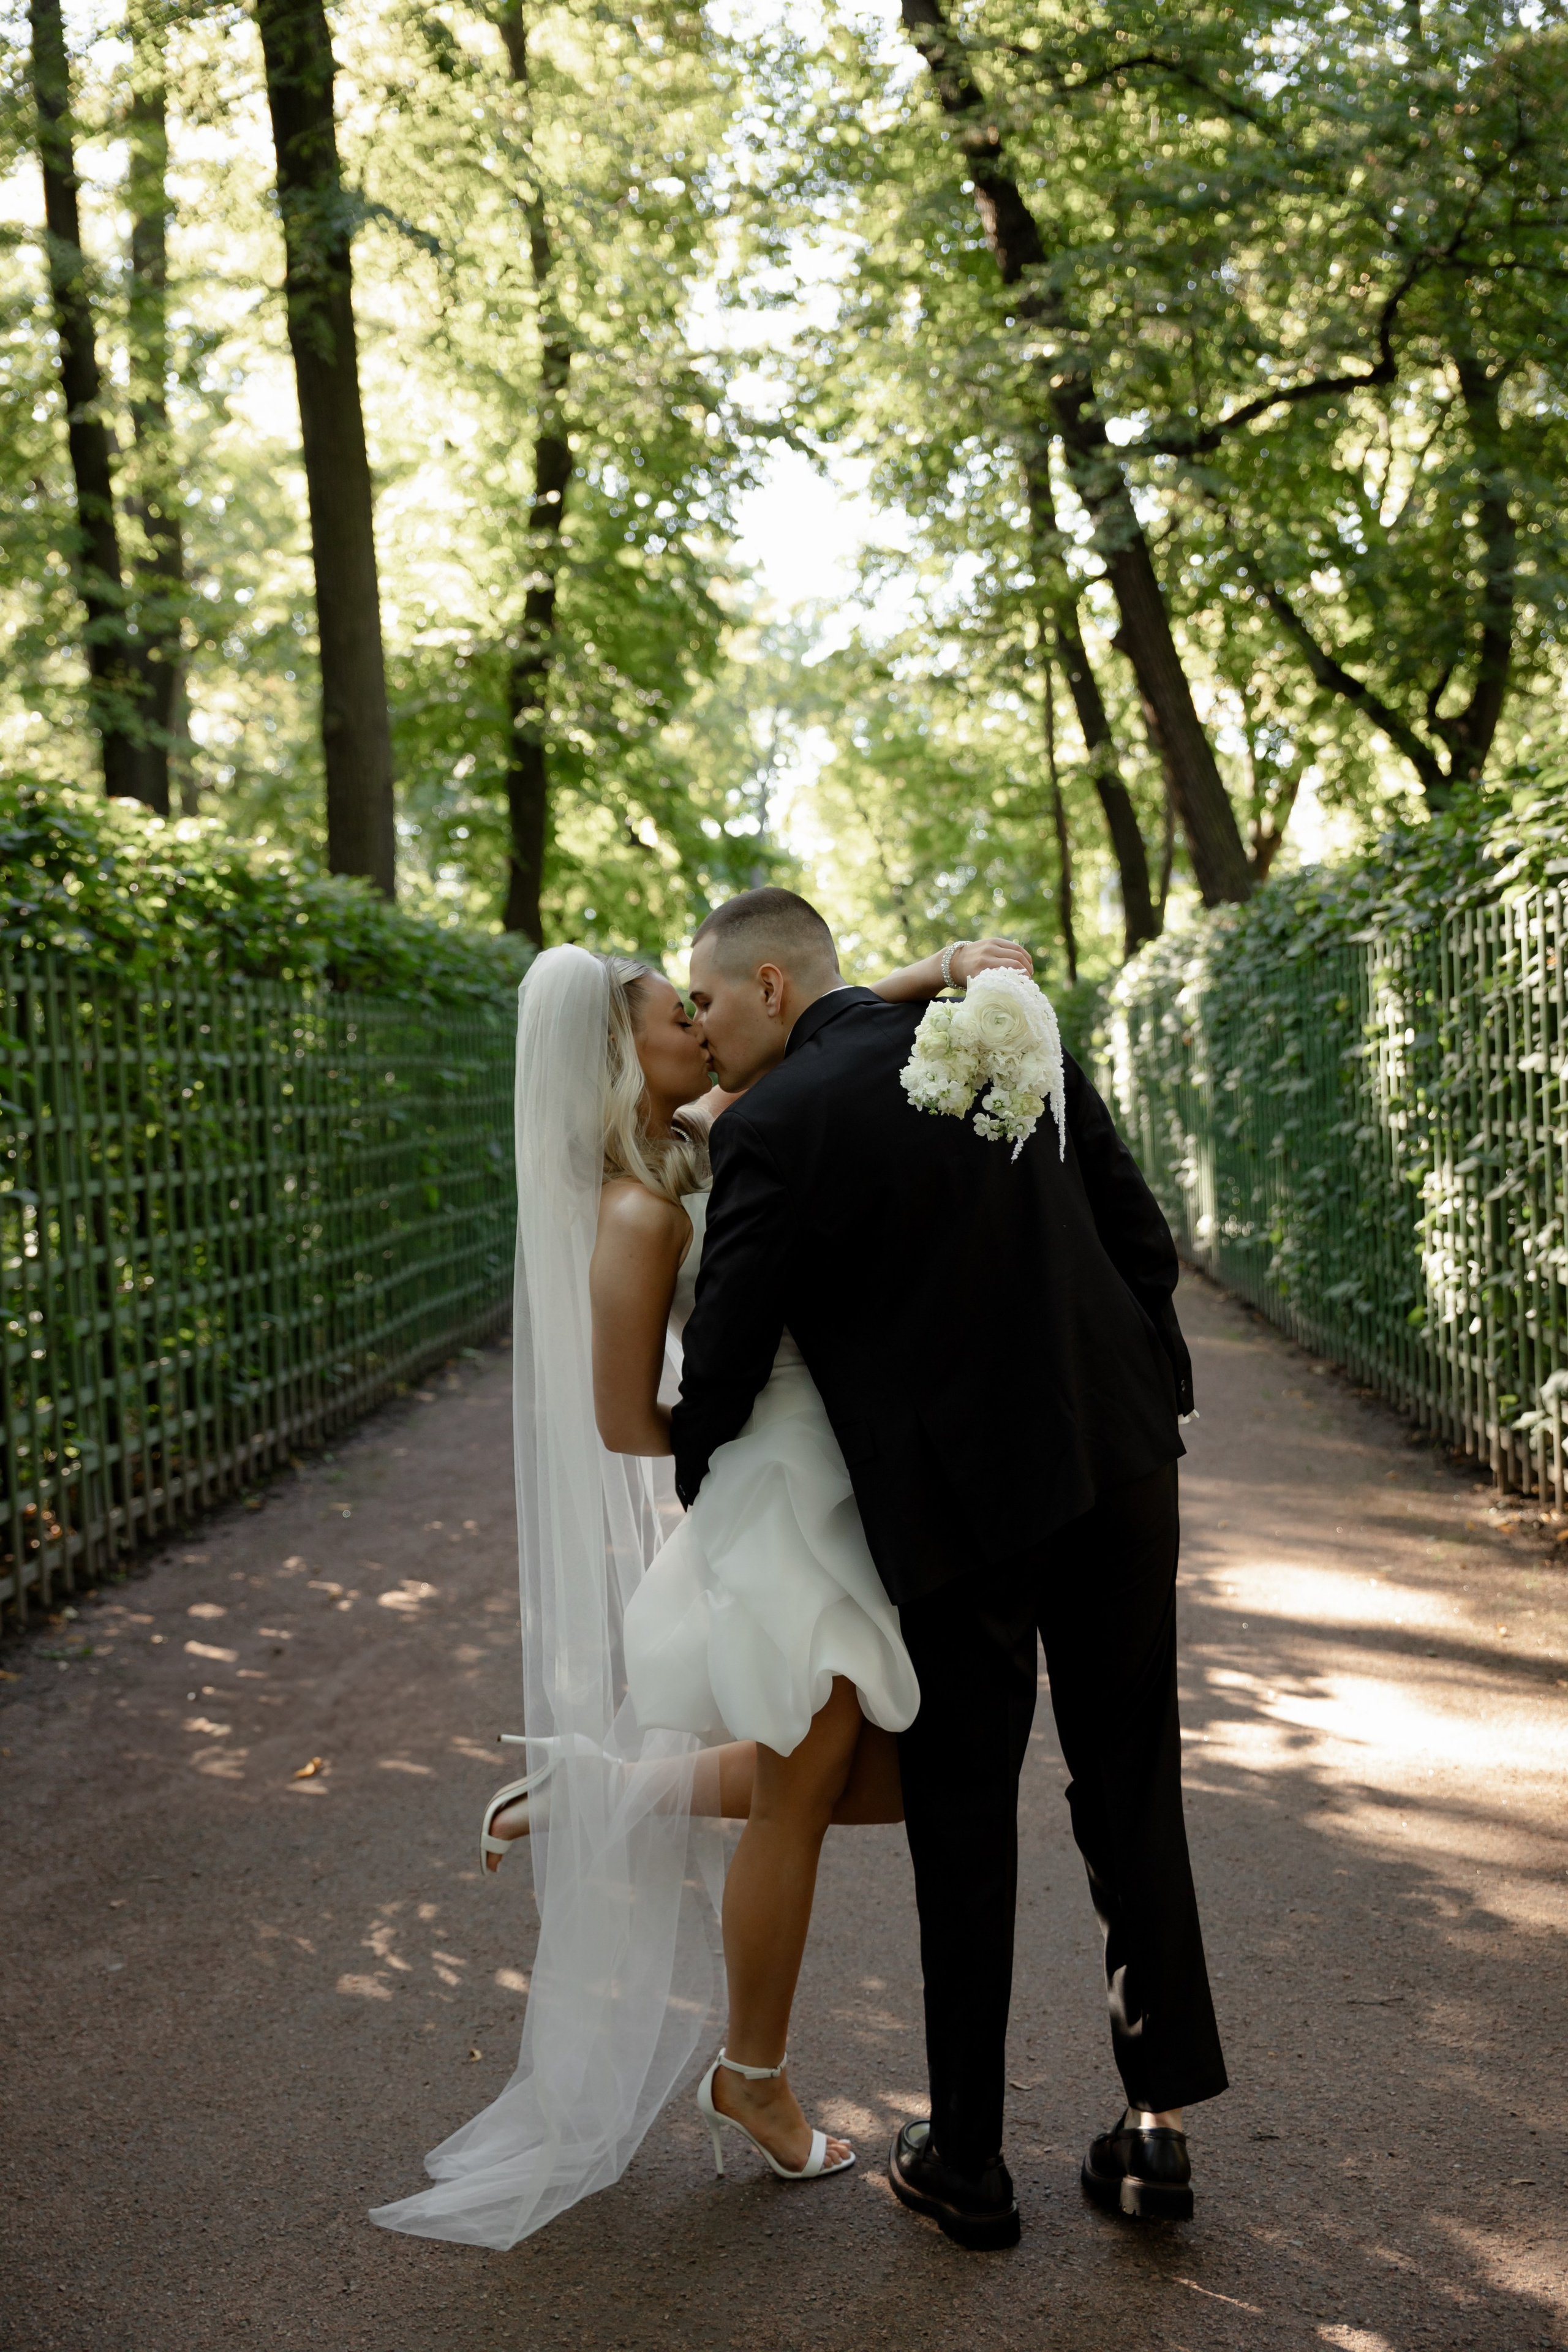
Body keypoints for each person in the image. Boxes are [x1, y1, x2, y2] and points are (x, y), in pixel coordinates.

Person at [370, 927, 1025, 2248]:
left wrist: (942, 969)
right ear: (631, 1051)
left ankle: (601, 1794)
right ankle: (755, 2080)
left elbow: (819, 1012)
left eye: (705, 996)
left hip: (831, 1477)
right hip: (780, 1492)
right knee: (807, 1775)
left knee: (895, 1777)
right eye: (679, 1006)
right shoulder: (636, 1204)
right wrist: (759, 1437)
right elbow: (626, 1420)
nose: (701, 1012)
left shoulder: (711, 1127)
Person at [674, 887, 1227, 2252]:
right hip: (1114, 1459)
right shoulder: (1001, 1027)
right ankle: (1154, 2133)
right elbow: (1134, 1230)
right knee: (1130, 1777)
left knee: (963, 1814)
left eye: (705, 1001)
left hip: (955, 1510)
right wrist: (1140, 1392)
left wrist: (701, 1489)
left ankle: (967, 2163)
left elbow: (725, 1366)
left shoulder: (776, 1131)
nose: (696, 1030)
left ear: (769, 986)